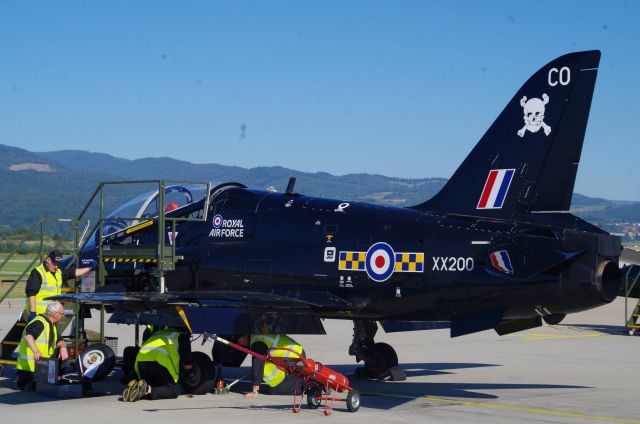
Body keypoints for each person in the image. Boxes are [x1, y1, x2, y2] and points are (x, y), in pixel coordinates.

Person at [122, 327, 192, 402]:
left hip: (140, 363)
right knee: (173, 391)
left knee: (153, 383)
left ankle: (135, 387)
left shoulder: (157, 333)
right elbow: (187, 365)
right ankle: (148, 389)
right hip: (159, 364)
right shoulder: (182, 336)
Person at [24, 250, 95, 322]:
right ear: (48, 260)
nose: (56, 267)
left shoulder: (58, 272)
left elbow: (73, 272)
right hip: (39, 315)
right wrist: (33, 312)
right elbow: (31, 293)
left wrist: (89, 268)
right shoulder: (38, 272)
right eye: (54, 264)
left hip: (51, 315)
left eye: (58, 264)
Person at [15, 302, 69, 391]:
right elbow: (28, 337)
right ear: (55, 314)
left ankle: (56, 376)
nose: (63, 316)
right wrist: (36, 351)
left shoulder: (51, 323)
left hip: (43, 363)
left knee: (65, 350)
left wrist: (63, 347)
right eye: (62, 314)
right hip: (31, 366)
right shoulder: (39, 323)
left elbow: (59, 340)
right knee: (32, 388)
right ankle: (26, 382)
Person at [241, 333, 305, 398]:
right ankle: (302, 382)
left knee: (272, 390)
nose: (240, 343)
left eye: (239, 340)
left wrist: (255, 390)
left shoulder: (257, 342)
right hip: (297, 352)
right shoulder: (257, 336)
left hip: (295, 358)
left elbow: (258, 362)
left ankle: (301, 386)